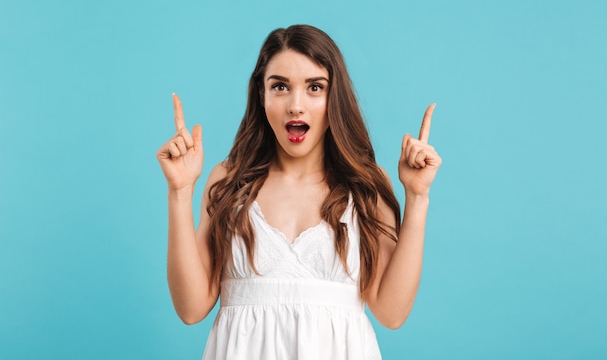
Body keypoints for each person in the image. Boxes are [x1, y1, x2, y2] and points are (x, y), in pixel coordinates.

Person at [156, 24, 442, 360]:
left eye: (315, 88)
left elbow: (391, 314)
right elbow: (191, 309)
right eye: (279, 86)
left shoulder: (364, 186)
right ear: (261, 96)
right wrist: (179, 191)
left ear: (335, 97)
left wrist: (418, 197)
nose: (296, 105)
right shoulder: (230, 181)